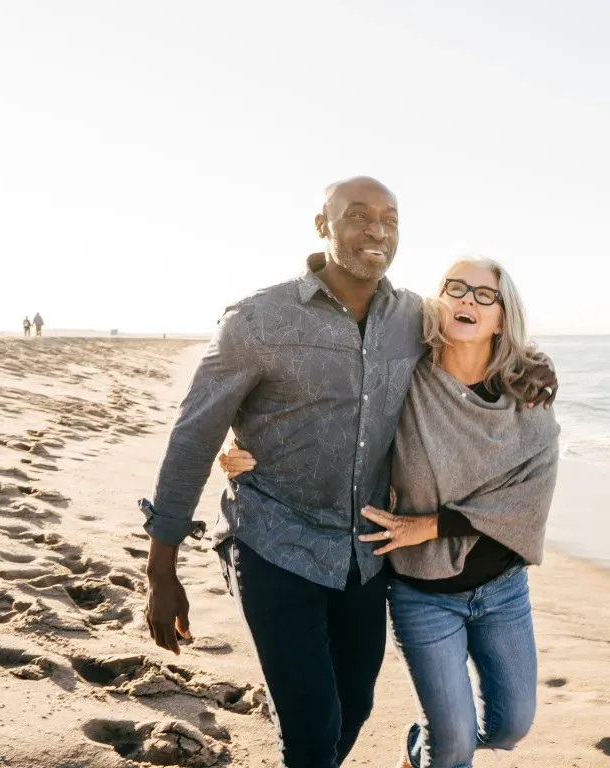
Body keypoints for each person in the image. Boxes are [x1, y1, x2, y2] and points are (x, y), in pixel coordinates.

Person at [138, 177, 556, 768]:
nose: (376, 230)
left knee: (353, 707)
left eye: (389, 218)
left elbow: (484, 336)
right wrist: (162, 568)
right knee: (312, 731)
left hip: (362, 554)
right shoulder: (258, 320)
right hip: (273, 541)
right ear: (322, 226)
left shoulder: (415, 317)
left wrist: (535, 363)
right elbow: (193, 435)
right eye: (358, 216)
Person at [221, 257, 559, 768]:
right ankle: (436, 744)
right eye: (456, 288)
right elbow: (328, 415)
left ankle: (418, 744)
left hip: (503, 588)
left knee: (511, 726)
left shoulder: (526, 389)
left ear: (503, 315)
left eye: (484, 295)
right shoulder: (404, 374)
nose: (468, 300)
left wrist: (432, 525)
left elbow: (530, 493)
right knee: (454, 746)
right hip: (422, 593)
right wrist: (248, 445)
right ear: (438, 301)